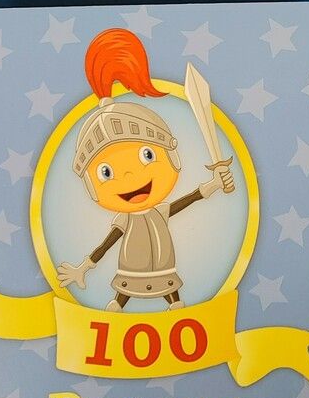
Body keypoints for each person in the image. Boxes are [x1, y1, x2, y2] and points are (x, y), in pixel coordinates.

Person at [56, 28, 233, 310]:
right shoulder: (125, 219)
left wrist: (215, 184)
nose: (129, 176)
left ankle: (173, 305)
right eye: (106, 172)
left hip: (164, 268)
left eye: (147, 155)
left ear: (171, 157)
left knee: (169, 288)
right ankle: (117, 306)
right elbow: (106, 244)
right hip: (131, 271)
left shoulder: (159, 211)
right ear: (92, 187)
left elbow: (190, 199)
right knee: (124, 292)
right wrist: (83, 268)